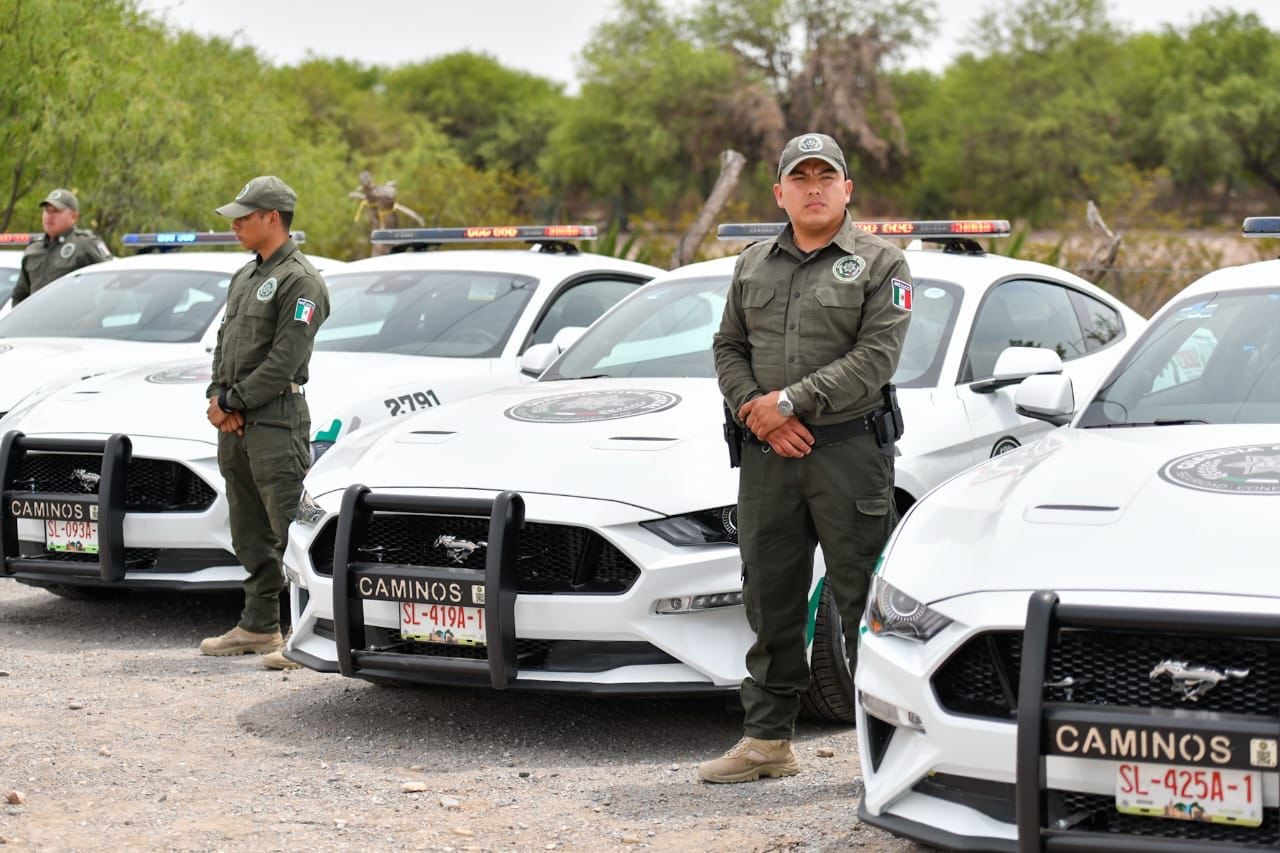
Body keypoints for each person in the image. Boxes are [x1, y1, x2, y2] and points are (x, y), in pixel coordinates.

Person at [700, 133, 912, 783]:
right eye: (801, 177)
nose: (814, 186)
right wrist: (754, 411)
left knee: (861, 606)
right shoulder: (753, 264)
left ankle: (887, 749)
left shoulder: (882, 263)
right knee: (770, 596)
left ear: (848, 189)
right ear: (780, 192)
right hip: (768, 457)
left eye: (827, 176)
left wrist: (789, 402)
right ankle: (767, 740)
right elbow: (728, 346)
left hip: (848, 456)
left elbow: (875, 359)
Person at [199, 176, 329, 671]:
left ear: (272, 218)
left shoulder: (302, 280)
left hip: (275, 419)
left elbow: (285, 358)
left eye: (244, 216)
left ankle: (302, 635)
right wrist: (217, 395)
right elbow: (225, 343)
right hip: (237, 422)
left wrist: (236, 399)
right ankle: (257, 626)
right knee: (249, 528)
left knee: (291, 528)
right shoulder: (245, 276)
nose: (234, 224)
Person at [11, 188, 112, 305]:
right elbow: (20, 295)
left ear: (74, 217)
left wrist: (94, 316)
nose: (49, 216)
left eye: (56, 211)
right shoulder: (33, 250)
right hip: (38, 322)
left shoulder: (84, 244)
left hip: (73, 320)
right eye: (47, 210)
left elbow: (112, 284)